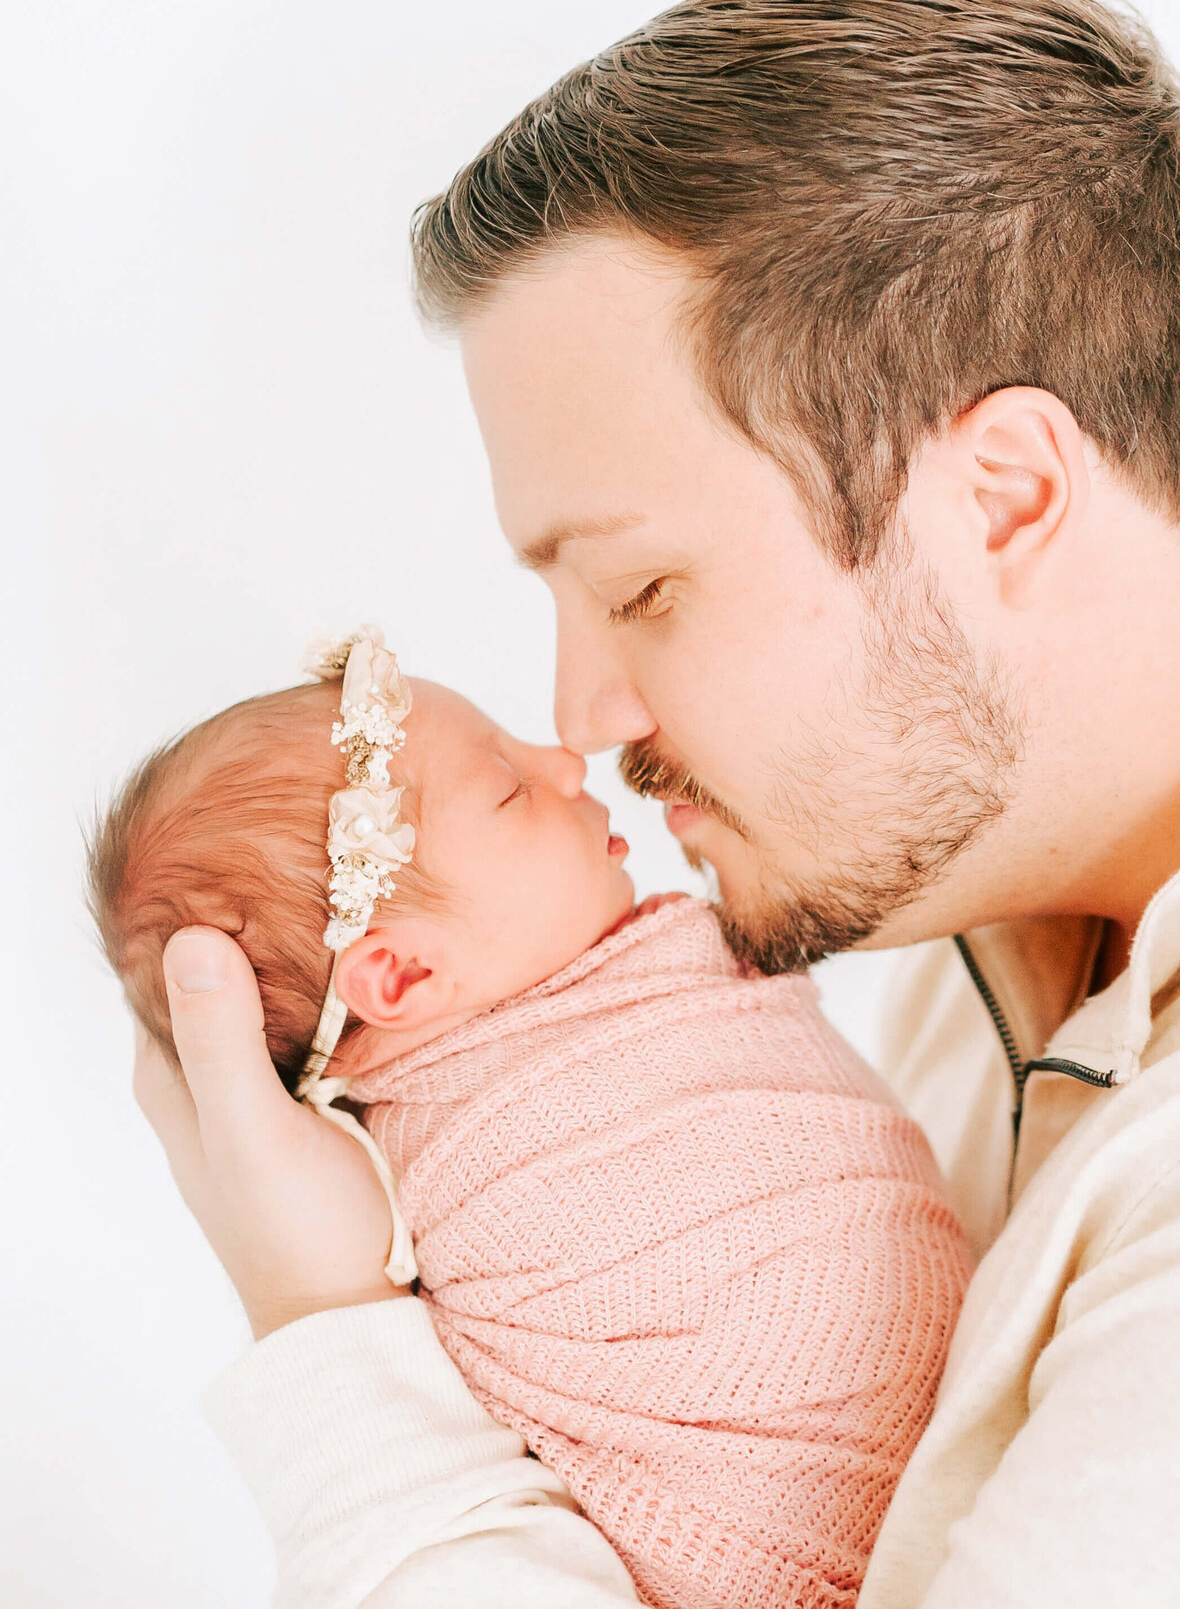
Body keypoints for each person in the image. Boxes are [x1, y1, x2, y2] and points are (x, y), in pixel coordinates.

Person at [133, 0, 1180, 1606]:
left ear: (1001, 494)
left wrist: (332, 1347)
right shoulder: (965, 942)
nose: (583, 717)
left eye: (641, 588)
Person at [90, 630, 969, 1608]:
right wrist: (315, 1307)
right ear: (404, 973)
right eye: (509, 788)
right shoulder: (468, 1164)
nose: (564, 760)